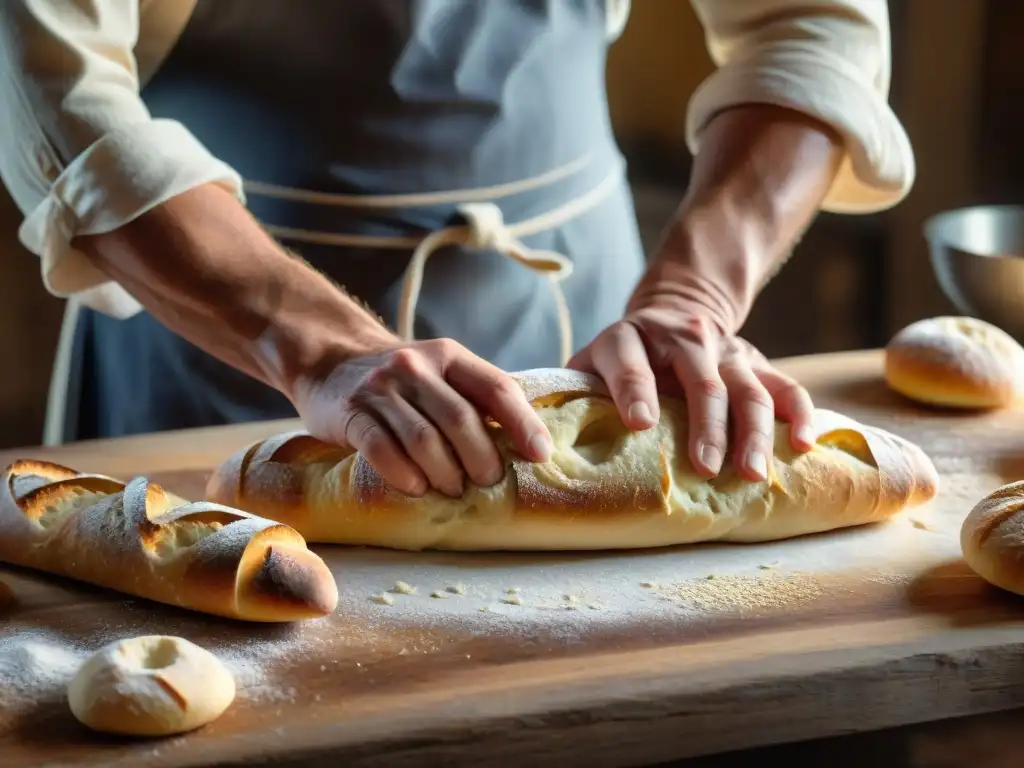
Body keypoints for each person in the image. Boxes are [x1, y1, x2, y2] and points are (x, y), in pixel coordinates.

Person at [0, 1, 913, 500]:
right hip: (217, 320)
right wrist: (319, 348)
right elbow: (53, 89)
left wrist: (694, 298)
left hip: (588, 323)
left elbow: (811, 24)